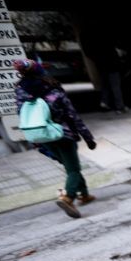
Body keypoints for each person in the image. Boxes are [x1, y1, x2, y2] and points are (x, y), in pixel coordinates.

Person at [13, 59, 97, 218]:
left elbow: (23, 115)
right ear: (40, 71)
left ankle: (84, 195)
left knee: (70, 165)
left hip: (41, 135)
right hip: (62, 133)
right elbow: (72, 114)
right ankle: (68, 198)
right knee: (73, 168)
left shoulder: (20, 91)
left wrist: (35, 140)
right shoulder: (52, 88)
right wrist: (88, 137)